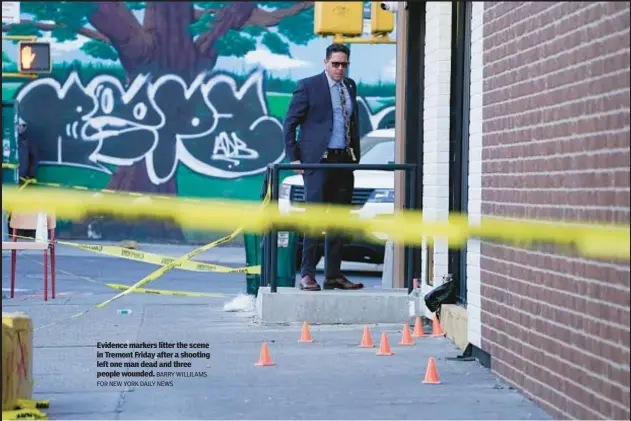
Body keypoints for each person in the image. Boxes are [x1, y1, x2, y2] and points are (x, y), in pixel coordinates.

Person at [283, 43, 364, 292]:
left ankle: (334, 275)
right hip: (317, 161)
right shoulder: (308, 86)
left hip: (343, 161)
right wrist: (295, 158)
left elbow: (351, 123)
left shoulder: (349, 86)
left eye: (344, 64)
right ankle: (307, 274)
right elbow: (290, 123)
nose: (340, 69)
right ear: (325, 63)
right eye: (335, 64)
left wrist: (355, 156)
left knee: (339, 220)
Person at [17, 119, 39, 183]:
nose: (21, 127)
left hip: (22, 177)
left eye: (23, 125)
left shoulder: (28, 141)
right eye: (19, 125)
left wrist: (31, 175)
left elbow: (34, 157)